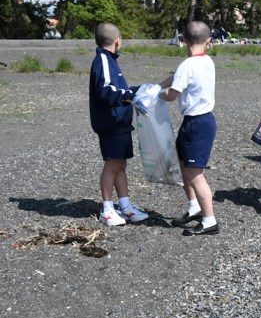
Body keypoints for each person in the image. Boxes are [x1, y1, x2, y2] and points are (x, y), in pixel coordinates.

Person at [160, 21, 219, 236]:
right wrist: (158, 85)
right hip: (195, 122)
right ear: (208, 41)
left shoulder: (188, 65)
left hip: (199, 123)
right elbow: (176, 78)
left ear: (183, 39)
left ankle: (209, 220)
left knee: (195, 174)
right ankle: (194, 207)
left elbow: (172, 95)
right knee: (183, 166)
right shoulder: (206, 61)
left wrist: (157, 94)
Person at [88, 23, 149, 226]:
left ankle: (125, 207)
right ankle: (107, 209)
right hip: (111, 123)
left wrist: (137, 90)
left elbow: (117, 89)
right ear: (117, 41)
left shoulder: (110, 61)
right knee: (112, 163)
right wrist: (131, 94)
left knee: (121, 164)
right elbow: (106, 91)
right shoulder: (103, 60)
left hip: (120, 123)